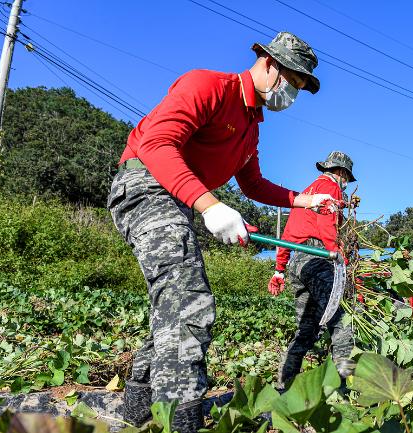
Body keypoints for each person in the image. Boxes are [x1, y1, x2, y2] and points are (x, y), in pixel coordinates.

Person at [107, 32, 336, 433]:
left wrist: (303, 201)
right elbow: (157, 145)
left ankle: (138, 407)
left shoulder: (251, 129)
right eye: (292, 82)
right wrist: (210, 205)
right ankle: (181, 420)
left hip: (179, 201)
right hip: (143, 186)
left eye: (299, 90)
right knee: (187, 298)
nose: (292, 96)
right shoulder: (208, 85)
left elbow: (253, 185)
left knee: (174, 301)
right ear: (268, 63)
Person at [268, 151, 357, 389]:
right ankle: (347, 387)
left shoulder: (305, 194)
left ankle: (284, 388)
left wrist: (279, 270)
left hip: (297, 262)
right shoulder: (331, 187)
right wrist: (336, 253)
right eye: (346, 177)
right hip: (318, 258)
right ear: (340, 172)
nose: (346, 183)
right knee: (343, 322)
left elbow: (287, 235)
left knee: (306, 330)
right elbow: (326, 222)